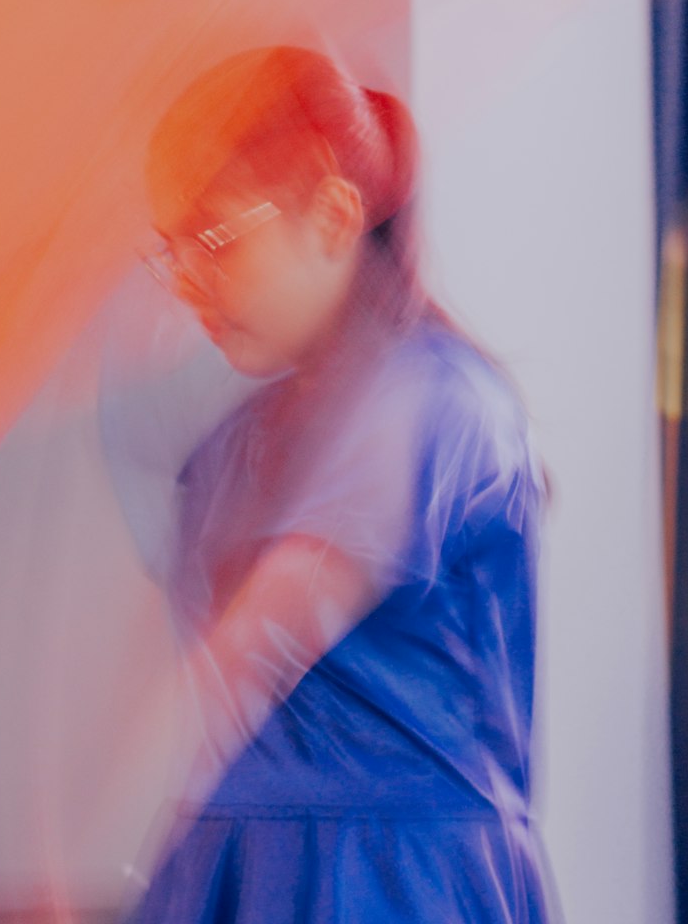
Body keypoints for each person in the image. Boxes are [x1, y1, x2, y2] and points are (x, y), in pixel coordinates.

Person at [124, 45, 558, 923]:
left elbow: (257, 644)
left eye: (214, 238)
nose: (190, 284)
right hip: (236, 870)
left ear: (330, 213)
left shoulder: (443, 405)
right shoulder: (225, 452)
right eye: (171, 250)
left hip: (397, 885)